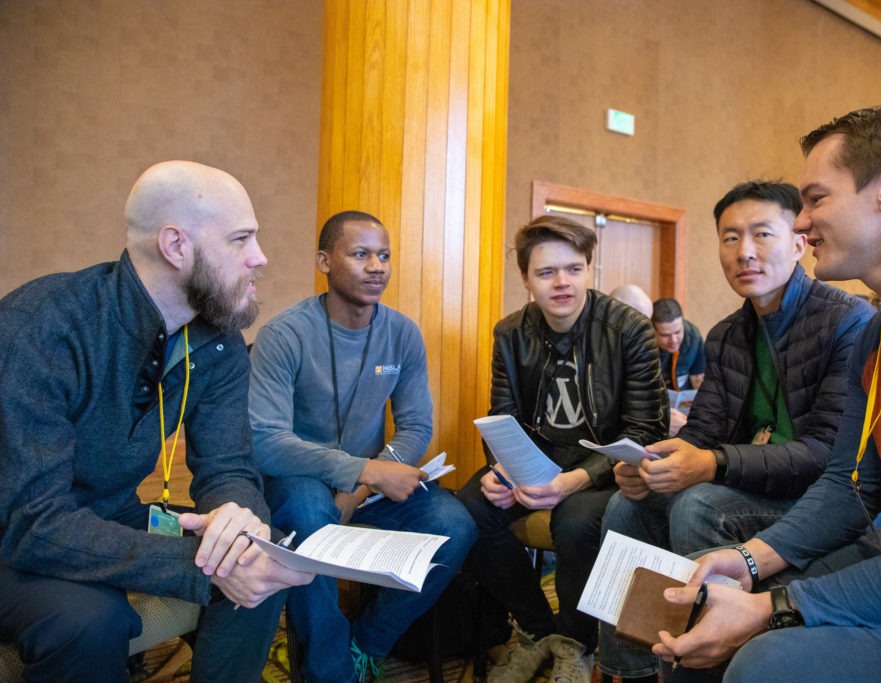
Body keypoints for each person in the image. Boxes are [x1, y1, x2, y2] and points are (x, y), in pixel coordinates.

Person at [654, 103, 881, 681]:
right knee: (702, 597)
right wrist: (749, 561)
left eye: (816, 199)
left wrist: (774, 609)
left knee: (767, 663)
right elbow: (852, 486)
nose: (801, 223)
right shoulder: (879, 332)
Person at [0, 160, 313, 683]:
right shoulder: (41, 328)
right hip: (17, 531)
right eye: (240, 239)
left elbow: (228, 467)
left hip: (107, 513)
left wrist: (238, 522)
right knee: (89, 621)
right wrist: (205, 568)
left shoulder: (218, 340)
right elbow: (34, 523)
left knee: (265, 554)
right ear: (175, 246)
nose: (260, 257)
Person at [598, 181, 874, 682]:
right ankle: (631, 670)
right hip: (752, 483)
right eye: (730, 238)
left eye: (761, 234)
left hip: (818, 497)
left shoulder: (848, 321)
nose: (744, 251)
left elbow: (827, 454)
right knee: (627, 504)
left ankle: (707, 664)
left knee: (699, 504)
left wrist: (713, 463)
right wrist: (653, 464)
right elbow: (702, 431)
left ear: (799, 243)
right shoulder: (727, 334)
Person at [248, 210, 477, 683]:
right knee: (310, 520)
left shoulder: (402, 333)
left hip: (368, 485)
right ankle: (328, 671)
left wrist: (363, 485)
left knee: (454, 525)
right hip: (301, 478)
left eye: (384, 255)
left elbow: (416, 424)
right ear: (324, 262)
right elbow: (267, 442)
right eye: (360, 254)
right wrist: (365, 472)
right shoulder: (283, 335)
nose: (376, 267)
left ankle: (366, 644)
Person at [457, 215, 667, 683]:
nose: (562, 283)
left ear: (590, 269)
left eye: (574, 269)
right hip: (537, 461)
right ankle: (537, 630)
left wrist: (575, 480)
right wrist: (502, 469)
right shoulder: (511, 333)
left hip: (605, 466)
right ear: (526, 278)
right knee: (469, 508)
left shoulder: (629, 329)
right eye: (546, 272)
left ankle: (575, 642)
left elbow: (644, 428)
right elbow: (503, 417)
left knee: (574, 521)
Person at [651, 298, 706, 435]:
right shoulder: (643, 343)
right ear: (652, 330)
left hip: (685, 408)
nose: (674, 341)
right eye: (665, 335)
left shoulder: (693, 336)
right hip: (654, 409)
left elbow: (698, 380)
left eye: (678, 332)